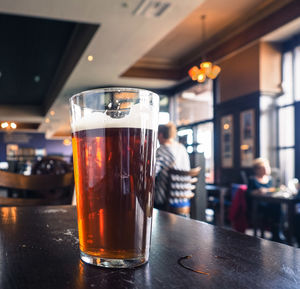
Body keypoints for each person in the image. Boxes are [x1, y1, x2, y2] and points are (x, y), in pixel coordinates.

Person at [154, 123, 190, 211]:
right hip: (185, 199)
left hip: (166, 201)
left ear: (160, 135)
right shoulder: (182, 148)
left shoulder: (161, 150)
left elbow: (151, 173)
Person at [247, 158, 282, 242]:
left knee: (278, 206)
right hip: (259, 205)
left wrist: (278, 189)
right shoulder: (253, 179)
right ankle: (275, 233)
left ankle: (276, 232)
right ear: (257, 169)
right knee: (275, 208)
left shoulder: (270, 179)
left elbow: (272, 190)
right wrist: (257, 191)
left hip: (270, 203)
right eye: (263, 167)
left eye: (267, 167)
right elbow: (249, 193)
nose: (266, 169)